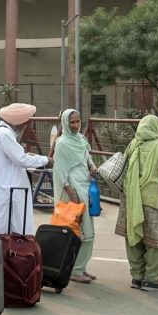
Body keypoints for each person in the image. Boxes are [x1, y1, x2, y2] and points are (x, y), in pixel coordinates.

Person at [116, 115, 158, 291]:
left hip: (132, 198)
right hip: (154, 201)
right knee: (156, 241)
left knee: (135, 237)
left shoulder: (133, 144)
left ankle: (137, 276)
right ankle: (151, 279)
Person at [0, 103, 52, 235]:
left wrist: (34, 158)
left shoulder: (2, 133)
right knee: (11, 229)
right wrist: (45, 160)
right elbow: (21, 159)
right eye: (25, 122)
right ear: (18, 122)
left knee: (8, 226)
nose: (25, 126)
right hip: (8, 189)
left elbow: (17, 157)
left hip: (6, 187)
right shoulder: (4, 134)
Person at [52, 109, 98, 284]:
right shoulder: (62, 144)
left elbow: (87, 157)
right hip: (74, 190)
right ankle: (75, 270)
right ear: (65, 123)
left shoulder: (81, 139)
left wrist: (92, 167)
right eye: (72, 122)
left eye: (78, 121)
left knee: (88, 230)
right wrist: (71, 193)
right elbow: (60, 171)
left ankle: (81, 267)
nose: (76, 125)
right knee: (80, 231)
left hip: (85, 186)